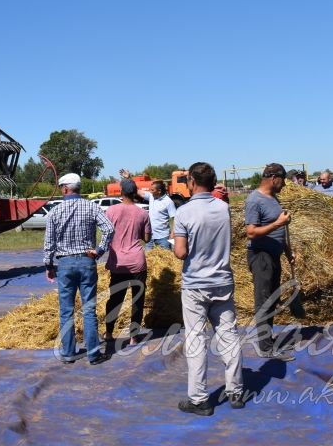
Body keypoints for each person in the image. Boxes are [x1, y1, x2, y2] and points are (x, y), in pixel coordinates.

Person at [173, 162, 245, 415]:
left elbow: (180, 252)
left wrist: (178, 242)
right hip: (223, 280)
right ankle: (236, 391)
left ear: (192, 181)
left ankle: (199, 398)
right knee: (229, 335)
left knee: (195, 339)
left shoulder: (184, 212)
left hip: (196, 284)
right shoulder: (224, 209)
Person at [43, 172, 115, 365]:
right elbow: (109, 229)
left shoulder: (55, 212)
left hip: (65, 264)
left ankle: (68, 353)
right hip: (86, 262)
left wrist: (49, 265)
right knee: (89, 309)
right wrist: (99, 251)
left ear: (65, 189)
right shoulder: (92, 207)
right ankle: (93, 354)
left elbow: (49, 243)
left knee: (66, 310)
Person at [244, 162, 295, 361]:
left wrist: (288, 251)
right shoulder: (254, 200)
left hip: (274, 255)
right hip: (261, 256)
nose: (284, 185)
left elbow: (281, 230)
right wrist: (277, 223)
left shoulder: (273, 198)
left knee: (271, 299)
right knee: (264, 301)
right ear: (274, 179)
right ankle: (265, 348)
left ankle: (268, 340)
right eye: (282, 181)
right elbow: (251, 232)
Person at [104, 178, 151, 346]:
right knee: (137, 299)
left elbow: (105, 234)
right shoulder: (143, 213)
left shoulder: (111, 211)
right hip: (137, 261)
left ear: (121, 192)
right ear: (134, 192)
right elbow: (147, 238)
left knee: (115, 299)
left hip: (118, 262)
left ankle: (109, 333)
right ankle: (134, 337)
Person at [120, 169, 175, 250]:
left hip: (163, 238)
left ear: (159, 191)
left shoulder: (168, 202)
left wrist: (172, 234)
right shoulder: (152, 196)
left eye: (152, 190)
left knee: (165, 261)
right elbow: (137, 191)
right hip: (150, 237)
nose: (150, 191)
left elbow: (175, 219)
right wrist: (128, 179)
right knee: (148, 260)